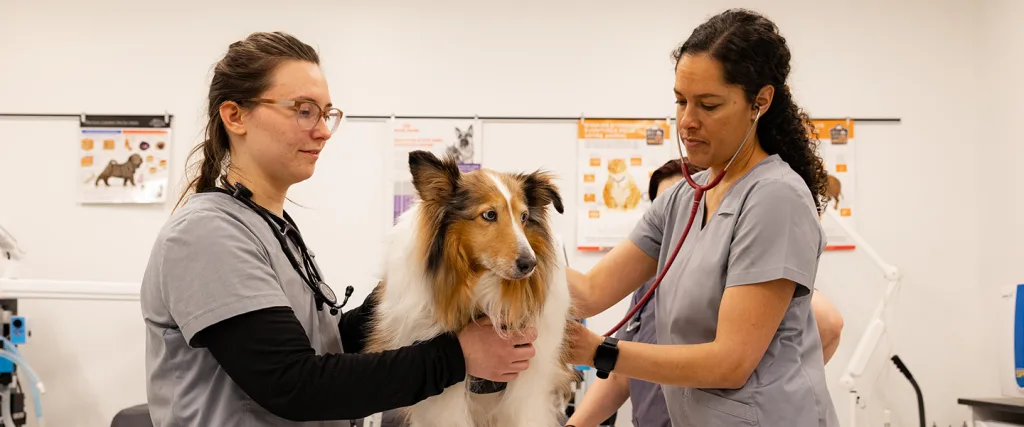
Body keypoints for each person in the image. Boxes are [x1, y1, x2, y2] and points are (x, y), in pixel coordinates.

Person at [139, 32, 538, 427]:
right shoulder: (207, 235)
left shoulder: (273, 229)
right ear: (235, 116)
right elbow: (294, 385)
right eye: (303, 110)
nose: (323, 131)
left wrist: (408, 289)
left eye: (327, 113)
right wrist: (457, 356)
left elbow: (326, 350)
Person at [564, 9, 841, 427]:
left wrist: (601, 351)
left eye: (708, 105)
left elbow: (731, 362)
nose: (687, 121)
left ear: (760, 102)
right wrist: (505, 248)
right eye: (681, 101)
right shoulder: (682, 199)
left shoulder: (776, 198)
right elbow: (589, 292)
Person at [565, 159, 845, 427]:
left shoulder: (775, 201)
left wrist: (774, 385)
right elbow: (591, 296)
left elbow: (826, 324)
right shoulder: (648, 284)